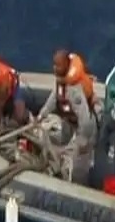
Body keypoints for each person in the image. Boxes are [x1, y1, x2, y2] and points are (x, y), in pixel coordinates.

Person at [37, 50, 100, 184]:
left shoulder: (74, 89)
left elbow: (85, 119)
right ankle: (56, 163)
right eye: (54, 64)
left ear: (67, 65)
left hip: (83, 128)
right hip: (69, 122)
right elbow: (53, 99)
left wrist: (83, 140)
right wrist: (42, 115)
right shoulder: (61, 82)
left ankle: (80, 186)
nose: (55, 68)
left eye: (58, 65)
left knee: (79, 166)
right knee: (59, 140)